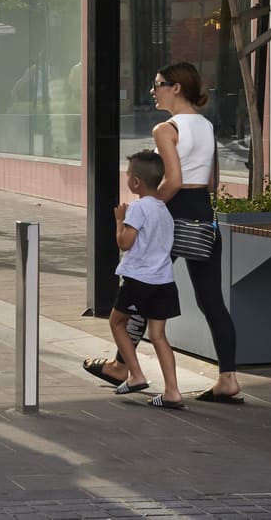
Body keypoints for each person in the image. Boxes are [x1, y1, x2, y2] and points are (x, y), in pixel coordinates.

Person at [152, 61, 243, 403]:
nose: (153, 91)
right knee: (212, 301)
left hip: (174, 213)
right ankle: (228, 378)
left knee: (138, 283)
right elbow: (213, 182)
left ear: (175, 87)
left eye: (158, 84)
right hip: (203, 214)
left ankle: (122, 365)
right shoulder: (206, 125)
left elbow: (173, 181)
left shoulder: (166, 129)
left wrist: (149, 207)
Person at [85, 150, 185, 408]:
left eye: (128, 174)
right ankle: (173, 391)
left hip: (139, 280)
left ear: (136, 182)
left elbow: (125, 243)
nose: (127, 178)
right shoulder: (164, 210)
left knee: (117, 322)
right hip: (164, 281)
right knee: (159, 335)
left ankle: (136, 374)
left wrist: (119, 221)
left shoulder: (139, 208)